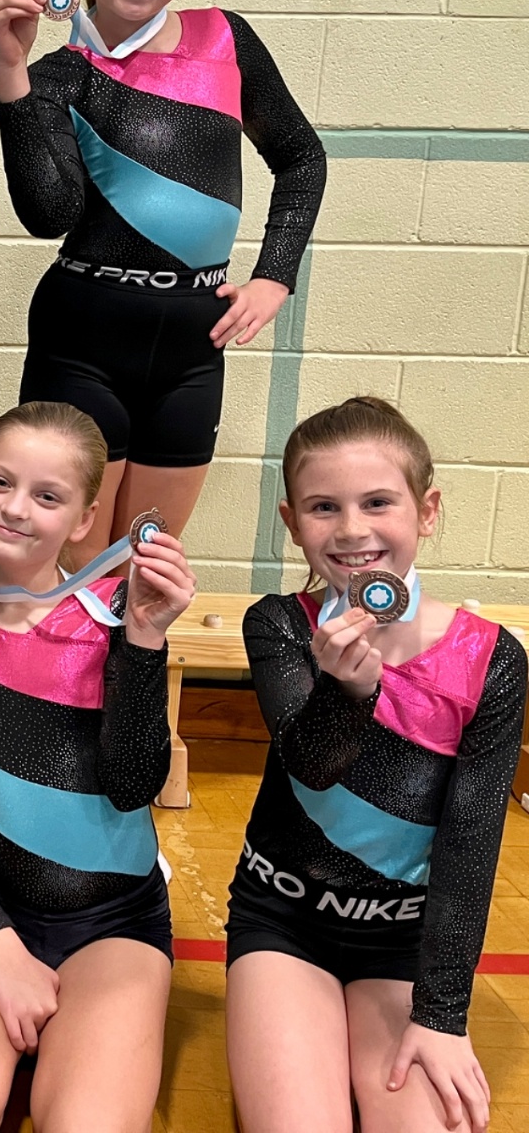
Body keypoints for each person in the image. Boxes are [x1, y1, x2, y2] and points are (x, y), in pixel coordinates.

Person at [0, 0, 326, 561]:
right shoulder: (60, 74)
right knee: (73, 569)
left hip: (193, 349)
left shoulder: (226, 40)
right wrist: (11, 71)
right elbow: (48, 214)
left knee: (146, 564)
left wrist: (275, 275)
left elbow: (301, 158)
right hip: (82, 338)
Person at [226, 398, 525, 1133]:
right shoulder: (280, 625)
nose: (353, 530)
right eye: (324, 507)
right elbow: (311, 765)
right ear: (293, 522)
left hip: (405, 939)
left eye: (378, 502)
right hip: (284, 923)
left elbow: (471, 844)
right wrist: (348, 691)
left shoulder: (491, 661)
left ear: (427, 511)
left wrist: (442, 1015)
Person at [0, 402, 193, 1132]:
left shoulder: (119, 617)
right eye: (1, 482)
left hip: (114, 922)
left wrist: (144, 641)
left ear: (85, 519)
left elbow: (134, 784)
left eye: (47, 496)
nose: (16, 508)